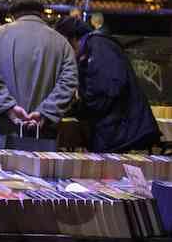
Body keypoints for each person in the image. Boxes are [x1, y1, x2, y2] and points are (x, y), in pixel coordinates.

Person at [0, 0, 78, 150]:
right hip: (44, 132)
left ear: (13, 16)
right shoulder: (62, 43)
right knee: (41, 171)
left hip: (4, 131)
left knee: (3, 171)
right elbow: (69, 83)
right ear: (42, 15)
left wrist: (9, 107)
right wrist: (45, 112)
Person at [56, 16, 160, 153]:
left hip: (122, 134)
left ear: (72, 38)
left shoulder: (99, 47)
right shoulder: (93, 48)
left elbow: (105, 92)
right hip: (116, 132)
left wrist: (77, 109)